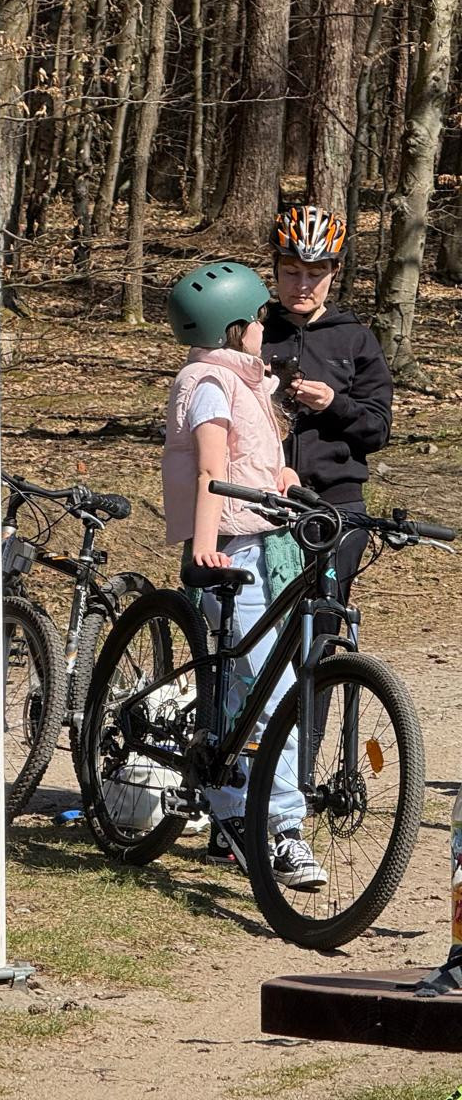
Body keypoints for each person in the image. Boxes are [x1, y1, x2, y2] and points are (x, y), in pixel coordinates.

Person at [163, 262, 325, 890]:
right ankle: (282, 828)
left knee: (244, 685)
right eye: (259, 318)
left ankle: (230, 809)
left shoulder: (243, 381)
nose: (267, 327)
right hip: (231, 550)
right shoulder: (208, 383)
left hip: (259, 540)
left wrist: (282, 480)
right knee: (272, 687)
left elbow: (248, 460)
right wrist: (205, 545)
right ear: (234, 326)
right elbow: (210, 469)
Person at [261, 205, 394, 603]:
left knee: (323, 623)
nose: (302, 284)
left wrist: (334, 403)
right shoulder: (254, 331)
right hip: (263, 500)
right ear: (275, 268)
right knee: (263, 631)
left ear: (334, 271)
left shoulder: (355, 339)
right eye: (291, 272)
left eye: (315, 273)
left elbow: (378, 429)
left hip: (337, 503)